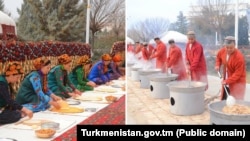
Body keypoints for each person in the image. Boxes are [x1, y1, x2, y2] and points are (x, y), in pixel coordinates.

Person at [215, 36, 246, 100]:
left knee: (236, 103)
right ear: (225, 46)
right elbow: (218, 57)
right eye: (227, 47)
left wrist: (227, 81)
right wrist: (218, 65)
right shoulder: (223, 51)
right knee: (225, 99)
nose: (228, 50)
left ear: (235, 46)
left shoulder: (239, 57)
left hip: (237, 83)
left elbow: (237, 74)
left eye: (231, 48)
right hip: (226, 79)